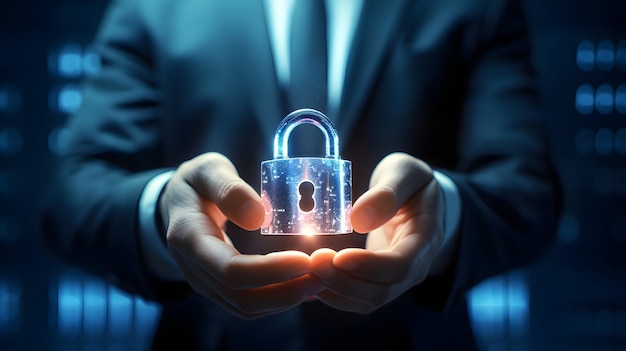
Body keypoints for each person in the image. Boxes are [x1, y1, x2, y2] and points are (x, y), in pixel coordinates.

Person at [42, 0, 561, 349]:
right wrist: (163, 215)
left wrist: (441, 217)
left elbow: (528, 195)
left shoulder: (477, 6)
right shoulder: (152, 7)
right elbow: (74, 194)